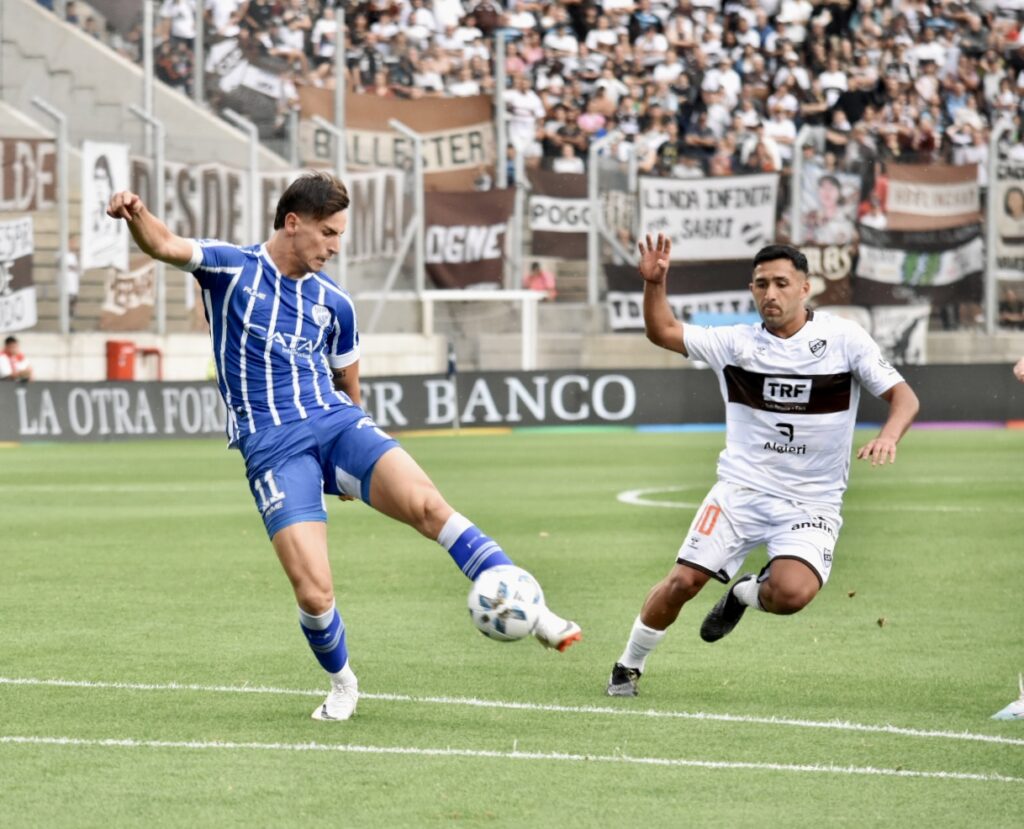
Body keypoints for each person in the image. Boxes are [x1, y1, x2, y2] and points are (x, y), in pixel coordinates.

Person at [106, 172, 581, 721]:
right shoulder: (231, 268)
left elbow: (348, 382)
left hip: (337, 425)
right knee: (314, 593)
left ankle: (537, 613)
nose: (334, 246)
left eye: (339, 235)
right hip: (273, 446)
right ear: (293, 223)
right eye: (328, 233)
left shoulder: (335, 302)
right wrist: (136, 212)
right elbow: (165, 245)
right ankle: (343, 683)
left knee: (431, 507)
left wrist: (356, 453)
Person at [606, 236, 919, 698]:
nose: (770, 293)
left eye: (780, 283)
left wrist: (889, 436)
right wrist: (656, 284)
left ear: (805, 288)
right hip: (740, 493)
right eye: (760, 284)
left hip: (812, 500)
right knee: (683, 581)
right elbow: (662, 331)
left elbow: (904, 397)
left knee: (791, 595)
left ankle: (741, 593)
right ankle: (628, 666)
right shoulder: (735, 343)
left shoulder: (843, 338)